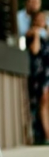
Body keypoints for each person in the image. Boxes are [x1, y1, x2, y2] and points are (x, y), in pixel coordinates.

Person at [26, 11, 49, 144]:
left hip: (48, 71)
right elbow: (35, 50)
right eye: (39, 19)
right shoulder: (33, 33)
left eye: (44, 19)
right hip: (40, 72)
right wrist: (36, 34)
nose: (42, 21)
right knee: (43, 101)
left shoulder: (46, 33)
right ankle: (46, 135)